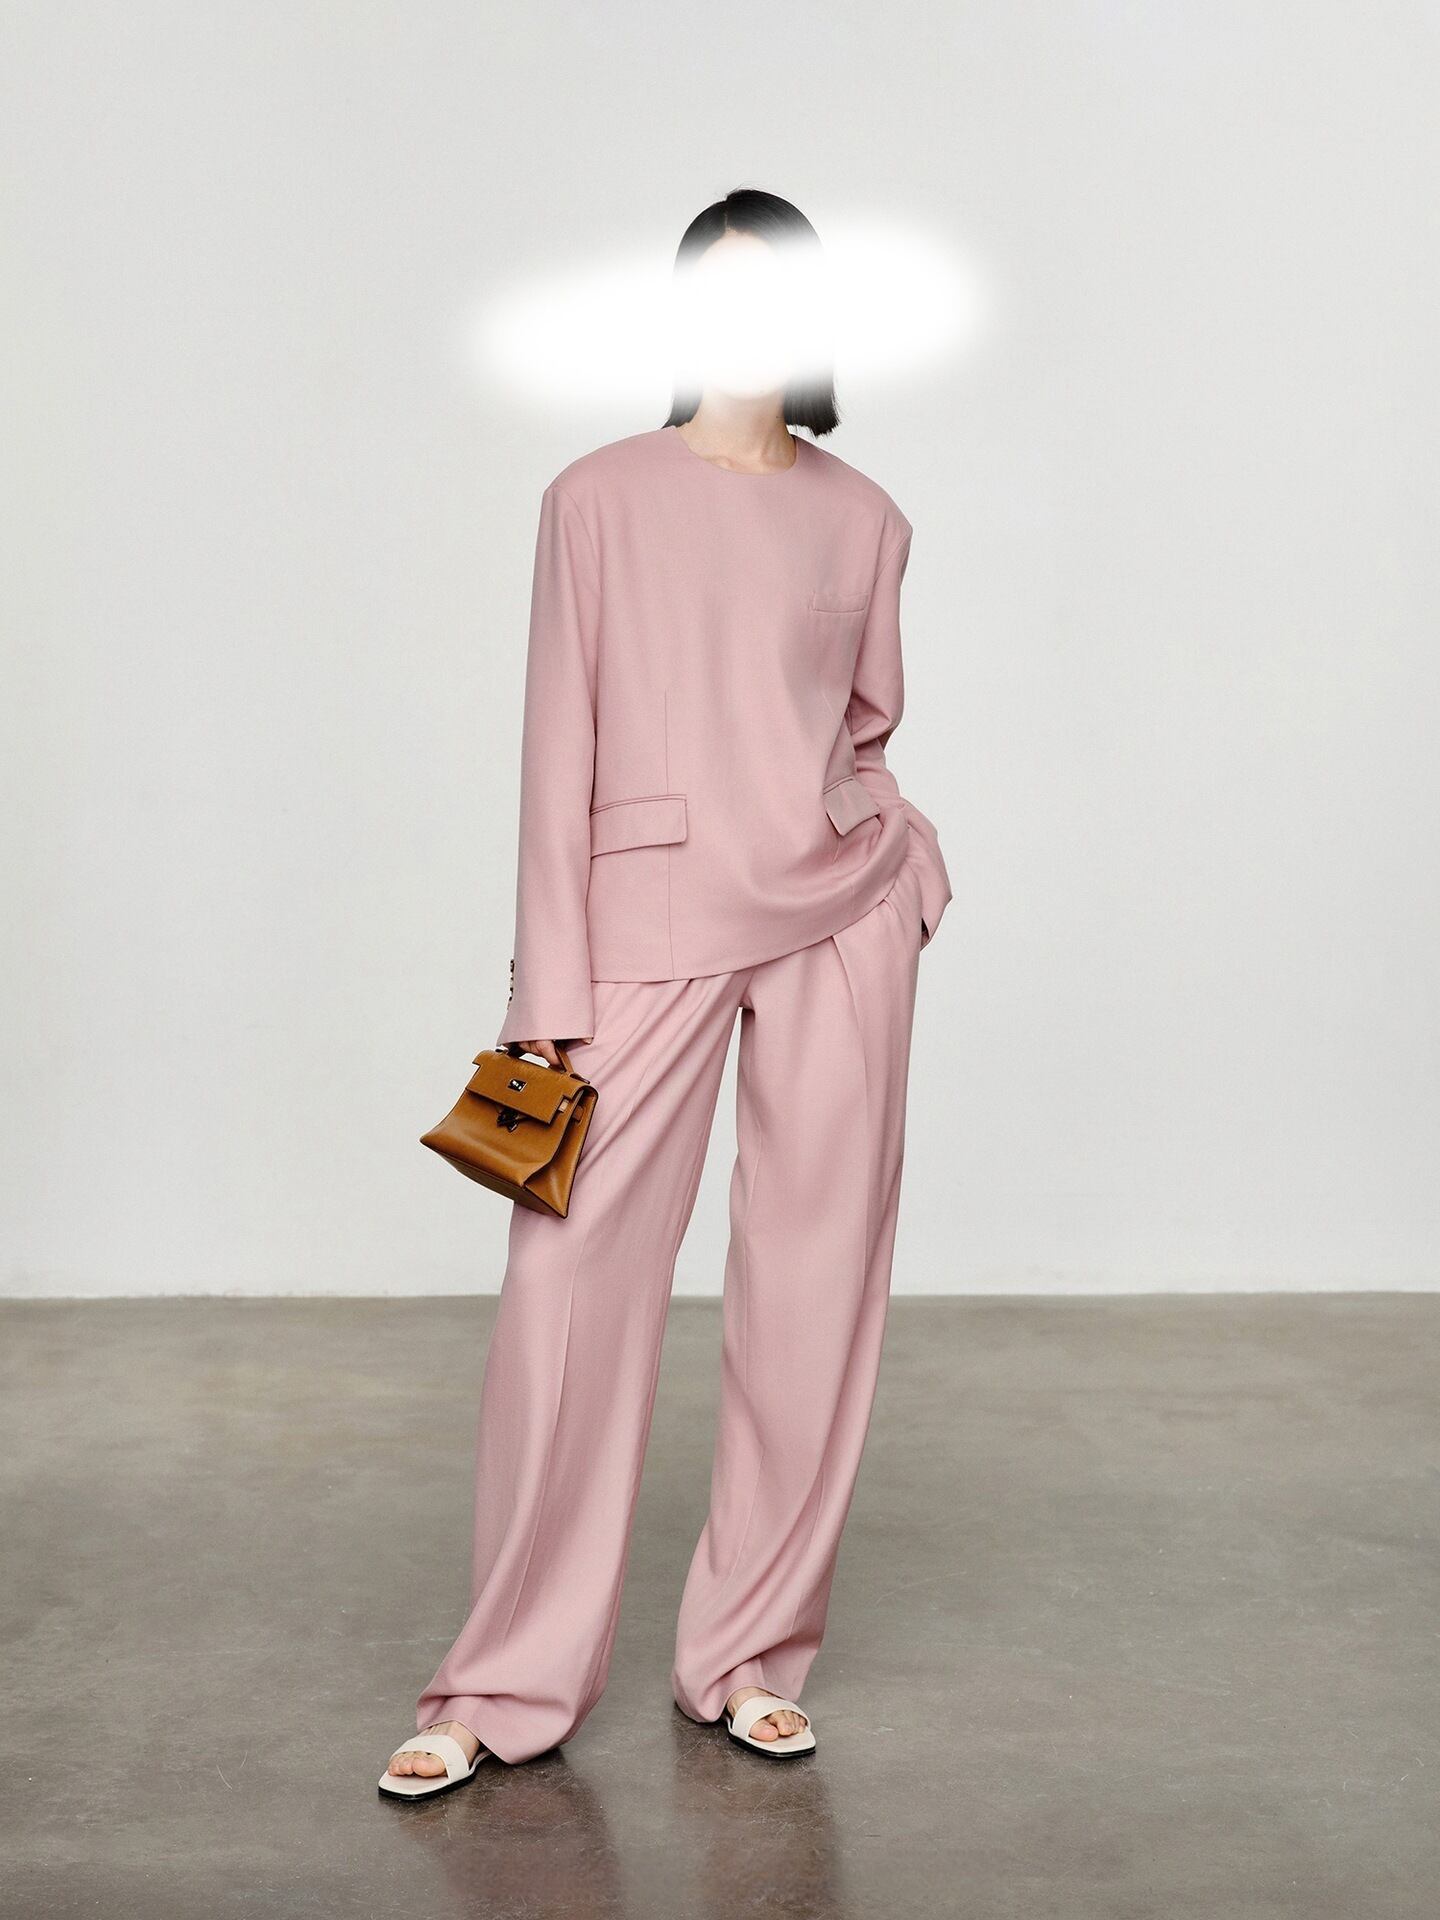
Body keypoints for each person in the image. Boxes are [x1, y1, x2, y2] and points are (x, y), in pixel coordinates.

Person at [379, 187, 952, 1797]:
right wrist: (544, 990)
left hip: (838, 922)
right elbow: (555, 742)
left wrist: (902, 863)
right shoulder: (596, 499)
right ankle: (501, 1684)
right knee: (568, 1298)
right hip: (643, 924)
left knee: (817, 1292)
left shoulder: (866, 517)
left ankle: (750, 1656)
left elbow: (863, 731)